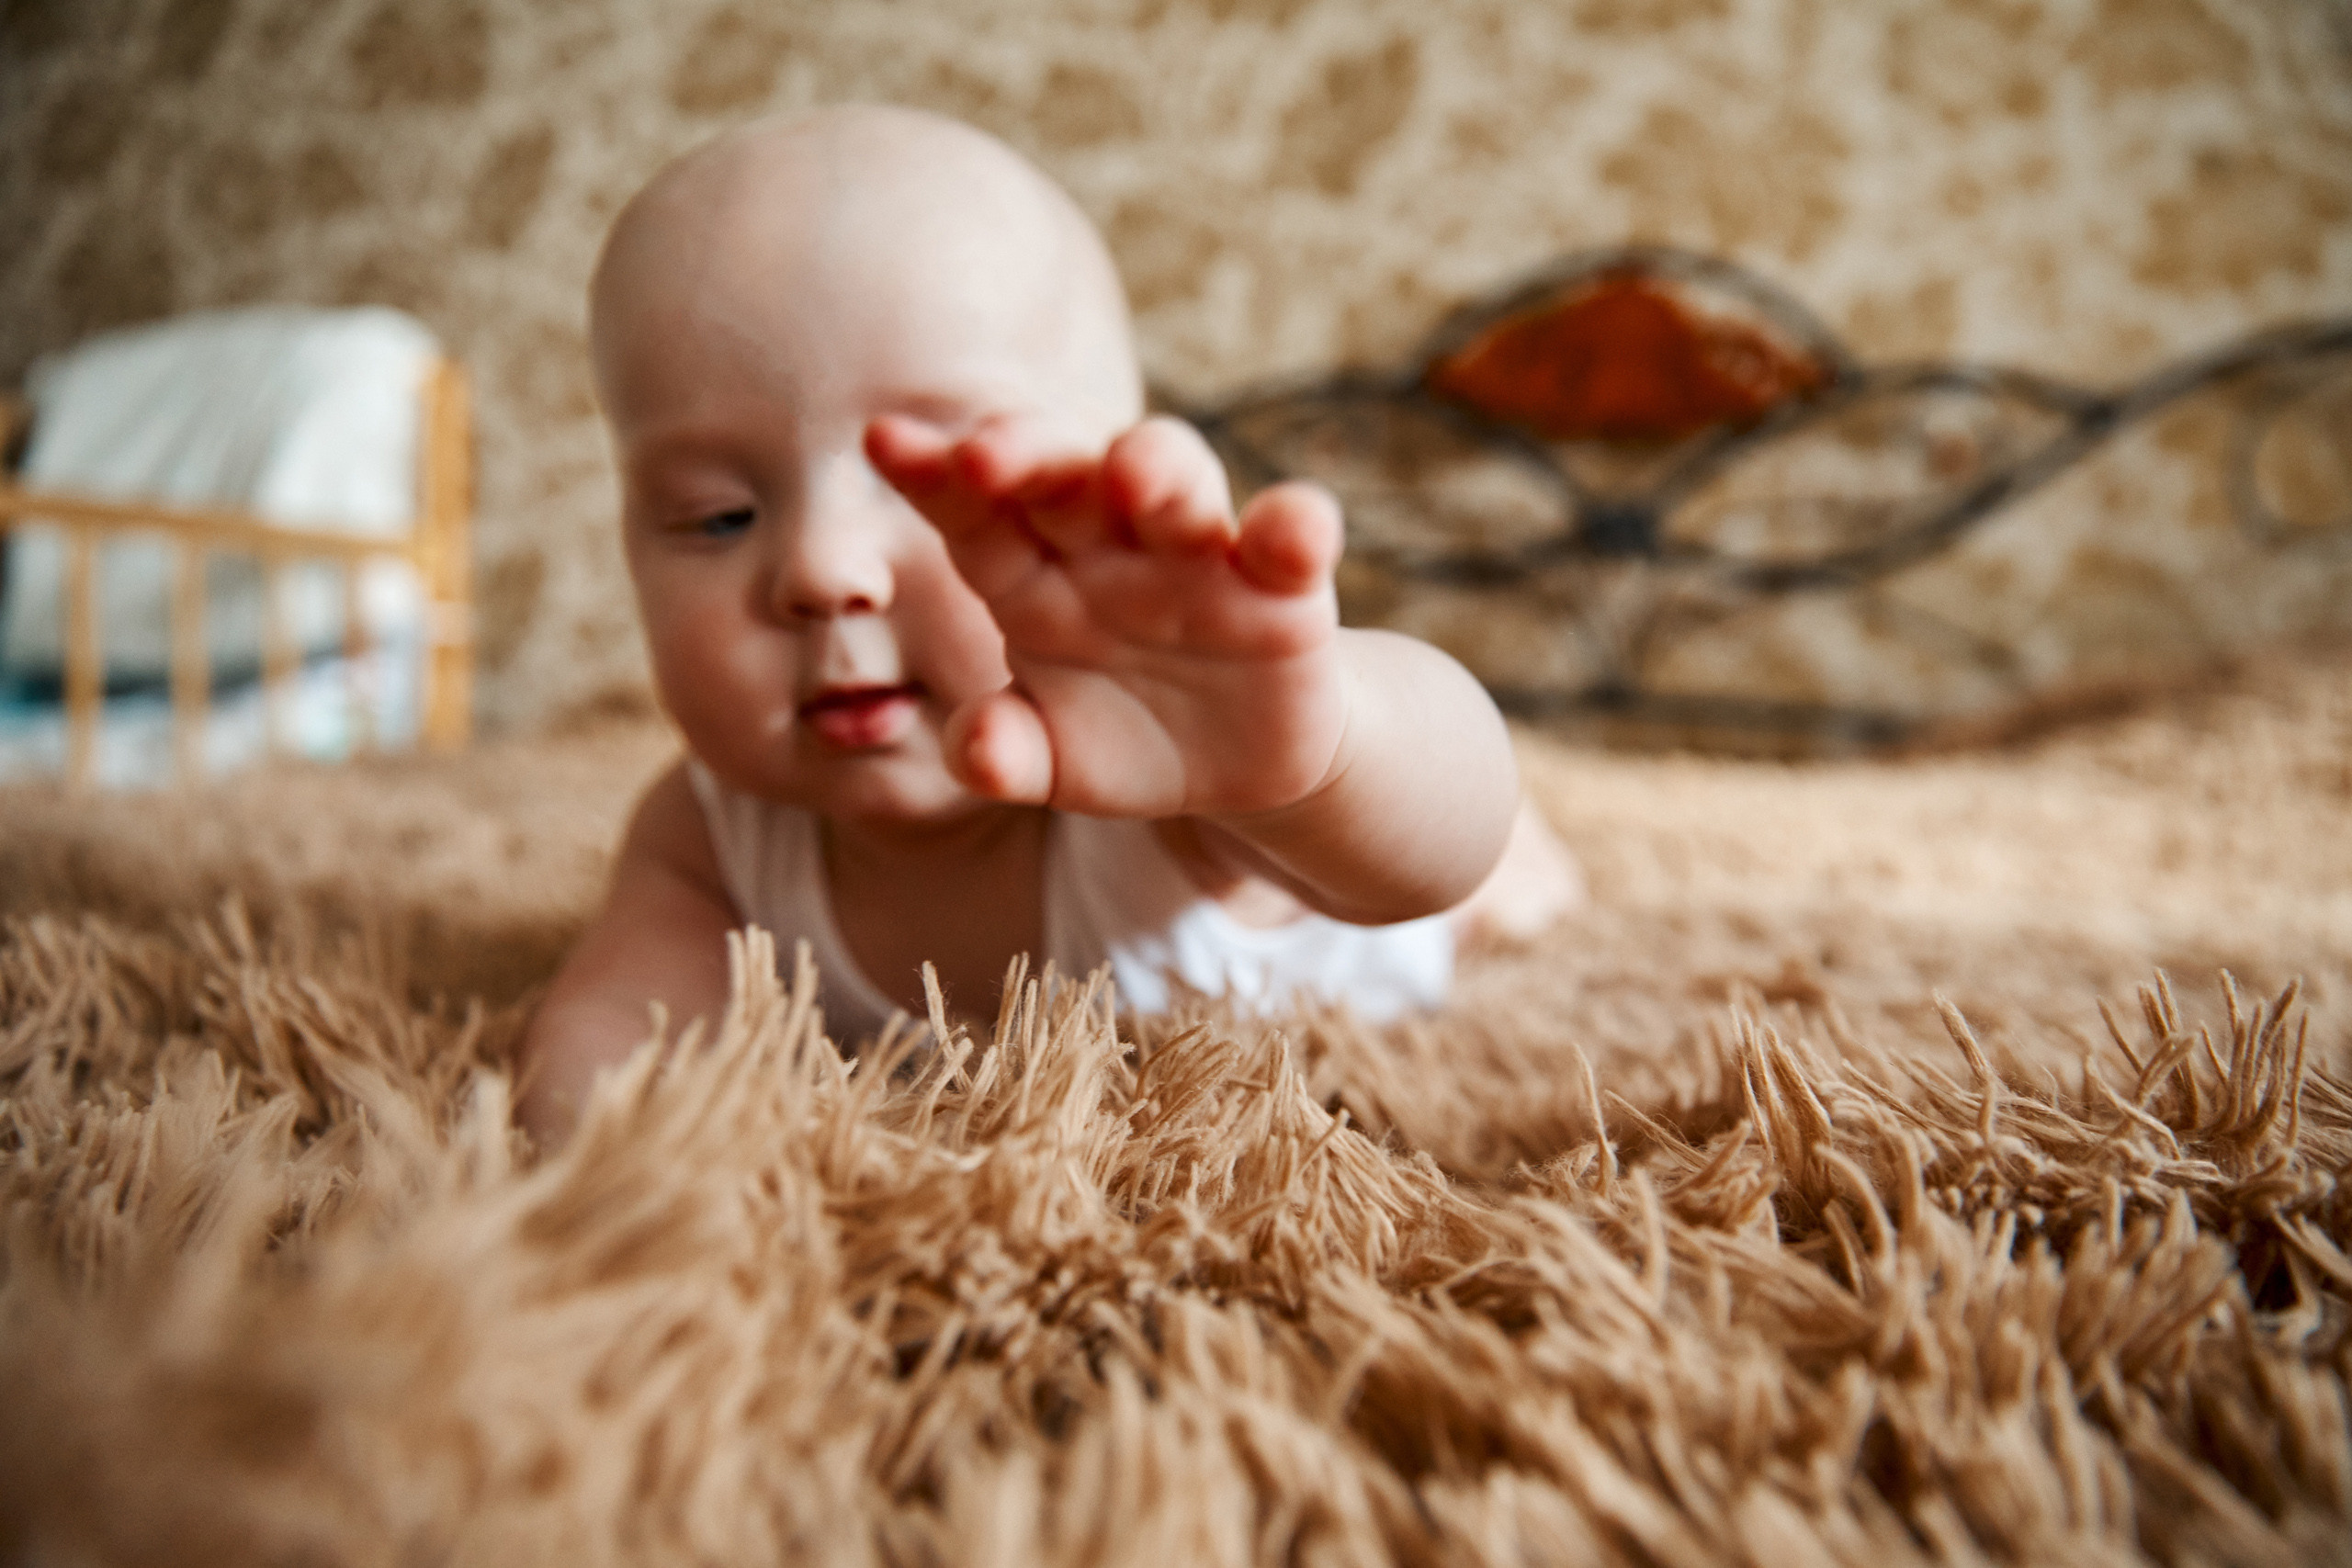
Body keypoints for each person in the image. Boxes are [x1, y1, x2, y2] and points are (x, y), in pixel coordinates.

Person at [517, 106, 1578, 1144]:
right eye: (719, 515)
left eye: (932, 488)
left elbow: (1436, 836)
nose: (820, 569)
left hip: (1345, 901)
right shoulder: (711, 831)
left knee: (1470, 874)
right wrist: (606, 1163)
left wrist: (1317, 744)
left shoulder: (1163, 775)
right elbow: (616, 1025)